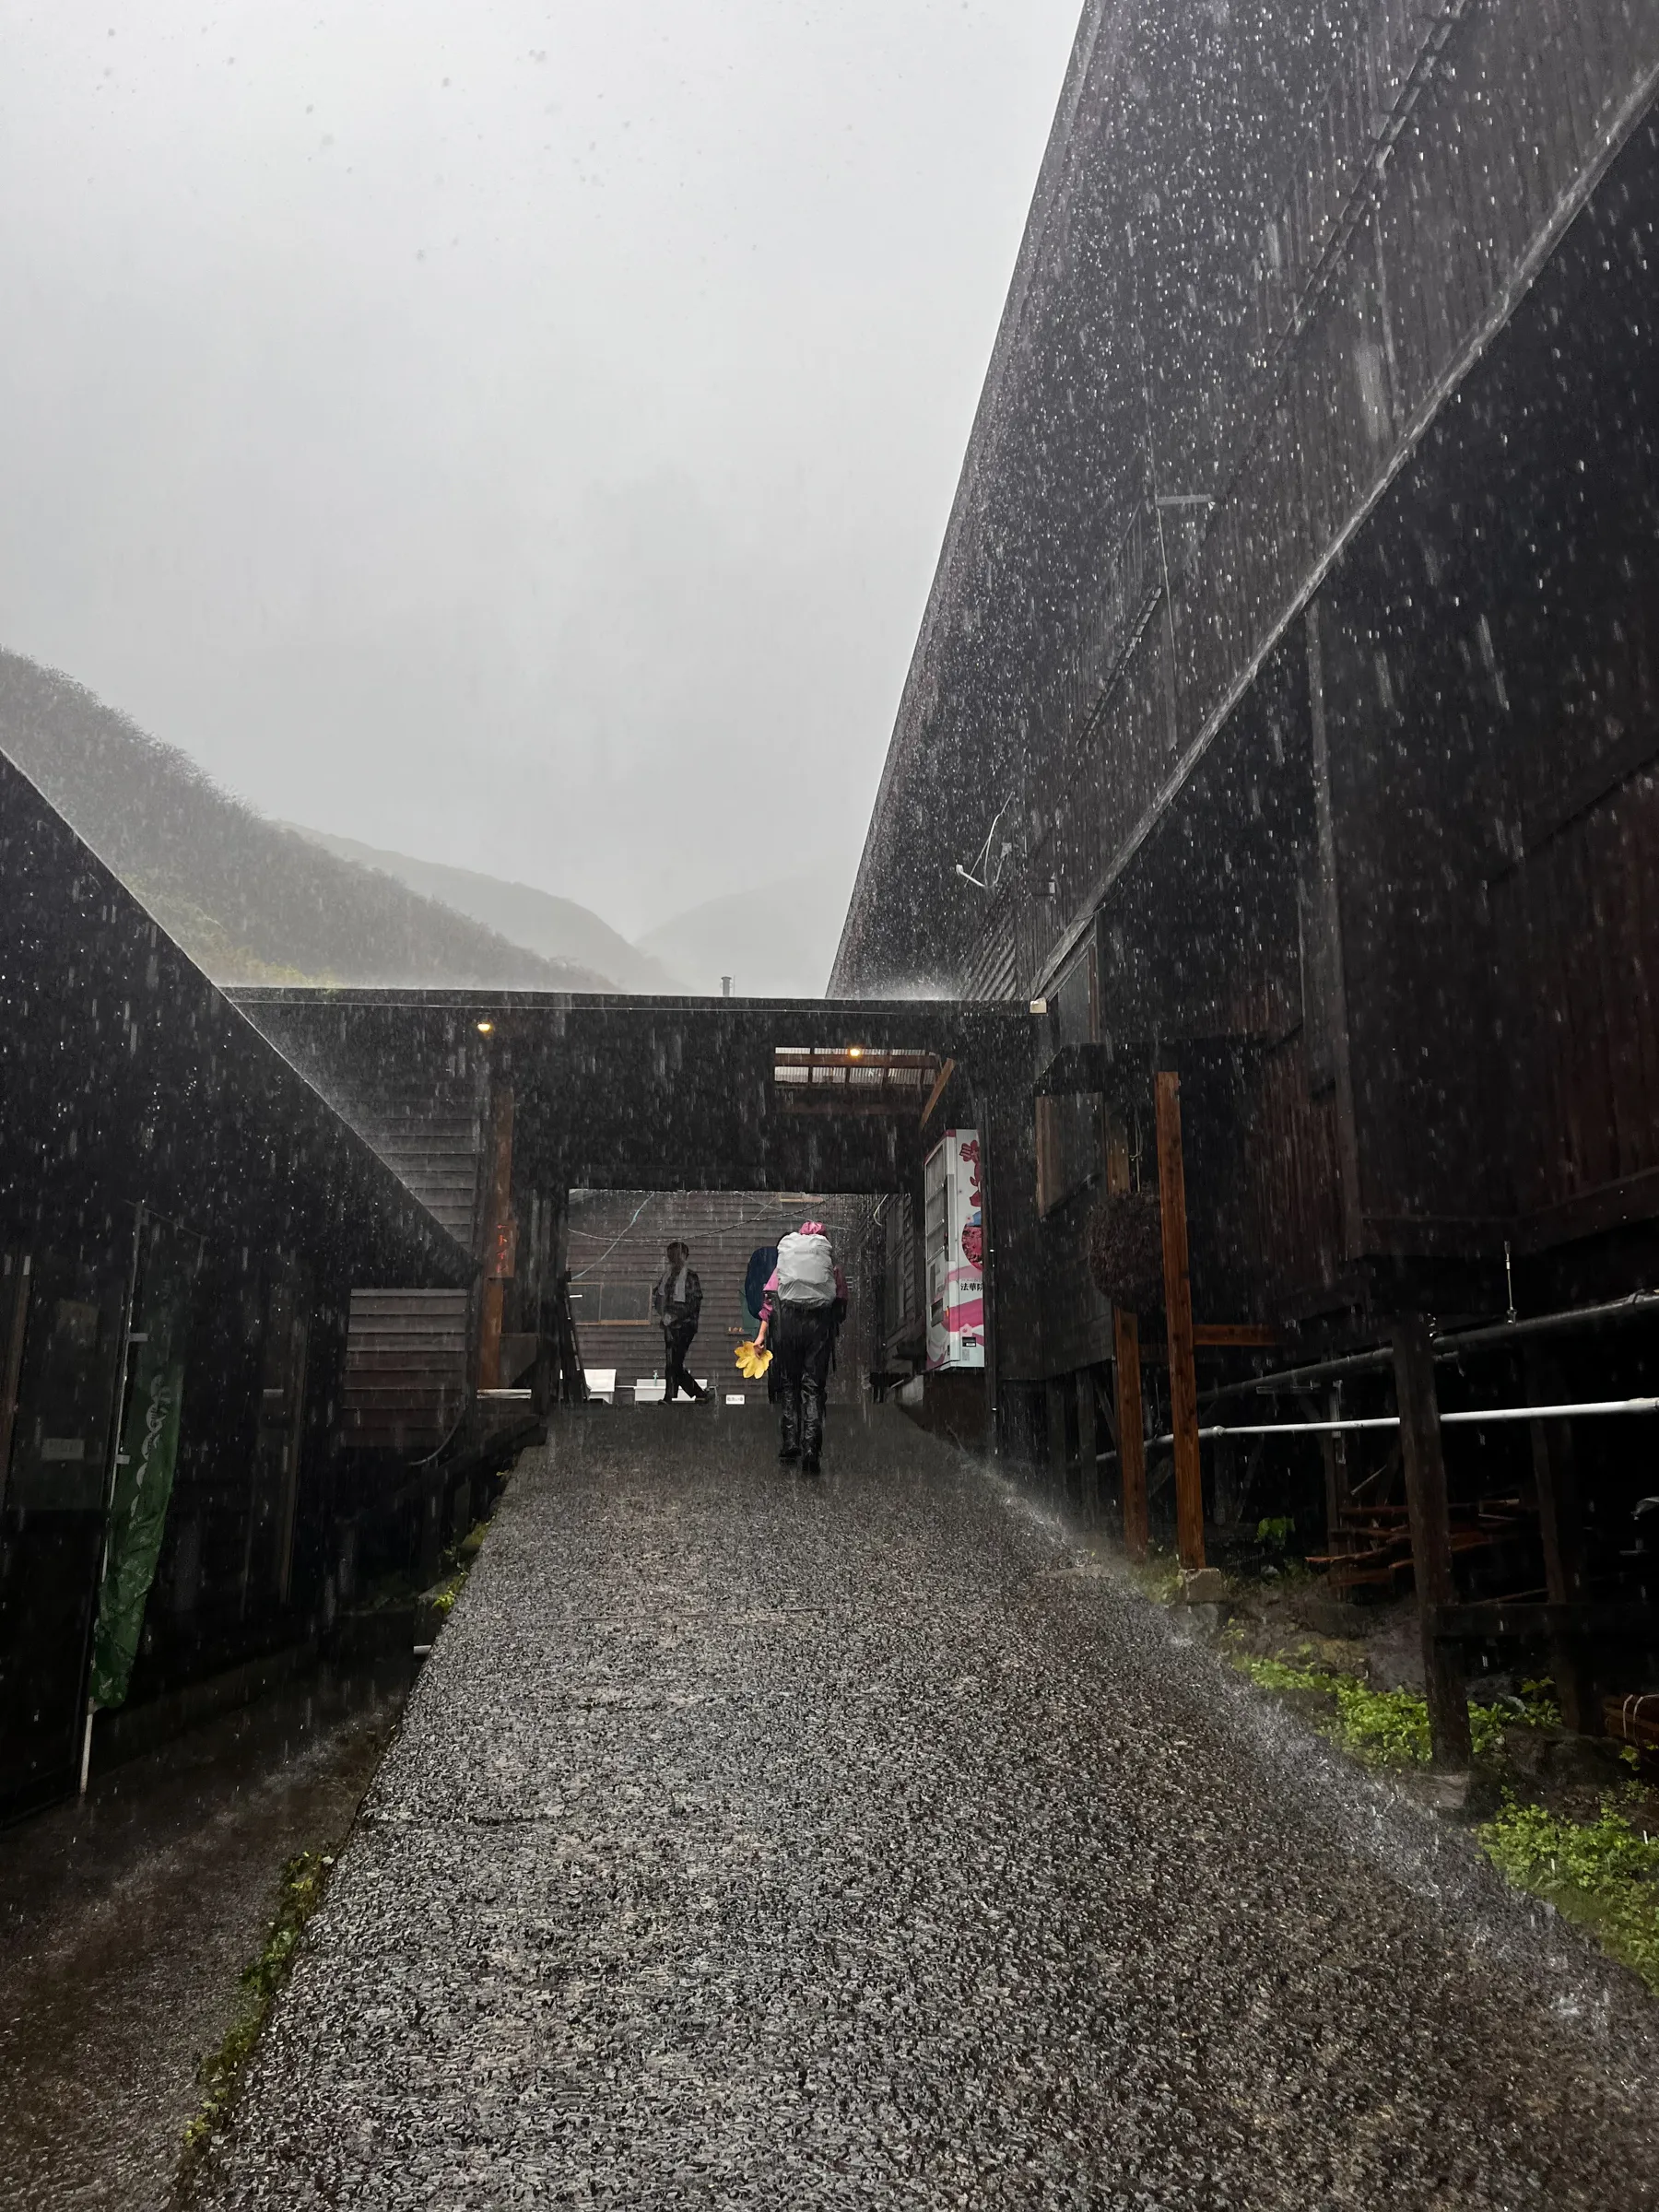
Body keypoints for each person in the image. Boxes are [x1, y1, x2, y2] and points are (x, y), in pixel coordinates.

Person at [755, 1219, 846, 1474]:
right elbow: (841, 1301)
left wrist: (762, 1335)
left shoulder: (787, 1260)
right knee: (813, 1387)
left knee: (788, 1383)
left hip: (788, 1326)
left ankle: (790, 1442)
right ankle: (810, 1449)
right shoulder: (830, 1264)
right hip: (818, 1327)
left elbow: (769, 1302)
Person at [652, 1240, 709, 1403]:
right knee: (672, 1361)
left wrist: (677, 1316)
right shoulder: (666, 1278)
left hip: (686, 1325)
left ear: (684, 1256)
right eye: (670, 1255)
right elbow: (658, 1298)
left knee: (674, 1362)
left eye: (676, 1255)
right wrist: (663, 1315)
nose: (673, 1259)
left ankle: (679, 1395)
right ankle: (684, 1394)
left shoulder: (690, 1277)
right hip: (669, 1325)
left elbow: (694, 1303)